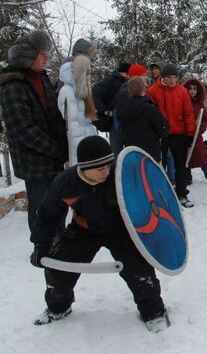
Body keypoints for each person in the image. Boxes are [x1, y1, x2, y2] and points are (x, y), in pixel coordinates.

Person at [29, 136, 170, 333]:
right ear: (84, 167)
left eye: (108, 165)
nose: (106, 170)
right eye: (100, 168)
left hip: (120, 229)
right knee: (59, 267)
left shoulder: (119, 176)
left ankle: (154, 312)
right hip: (84, 229)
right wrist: (40, 246)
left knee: (139, 271)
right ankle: (58, 308)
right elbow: (47, 215)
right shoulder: (66, 183)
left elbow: (149, 200)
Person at [0, 29, 68, 237]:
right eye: (42, 54)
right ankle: (45, 251)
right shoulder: (13, 86)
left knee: (58, 208)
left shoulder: (42, 77)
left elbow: (53, 112)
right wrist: (56, 149)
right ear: (27, 55)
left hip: (53, 159)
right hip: (35, 164)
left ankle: (60, 246)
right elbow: (23, 130)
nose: (47, 58)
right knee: (42, 211)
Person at [146, 63, 196, 208]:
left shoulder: (182, 91)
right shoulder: (152, 91)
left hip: (178, 133)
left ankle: (182, 194)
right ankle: (159, 195)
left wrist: (190, 133)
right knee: (159, 165)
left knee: (181, 166)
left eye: (175, 77)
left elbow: (188, 113)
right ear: (163, 77)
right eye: (170, 77)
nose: (173, 80)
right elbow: (150, 114)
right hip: (160, 135)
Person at [56, 52, 97, 165]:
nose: (88, 76)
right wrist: (83, 146)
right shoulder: (67, 92)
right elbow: (71, 125)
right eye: (86, 73)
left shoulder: (81, 91)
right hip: (79, 147)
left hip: (87, 140)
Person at [118, 76, 169, 162]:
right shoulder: (150, 108)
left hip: (132, 151)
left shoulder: (123, 109)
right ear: (144, 90)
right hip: (150, 153)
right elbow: (163, 128)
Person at [92, 62, 131, 155]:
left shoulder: (125, 82)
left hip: (124, 120)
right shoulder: (111, 81)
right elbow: (95, 94)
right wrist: (104, 110)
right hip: (114, 121)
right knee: (116, 149)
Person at [183, 78, 207, 183]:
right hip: (185, 135)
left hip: (197, 136)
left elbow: (204, 118)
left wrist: (200, 129)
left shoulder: (200, 104)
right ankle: (187, 178)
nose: (192, 91)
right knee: (185, 157)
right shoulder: (183, 102)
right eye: (190, 89)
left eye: (195, 89)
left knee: (202, 156)